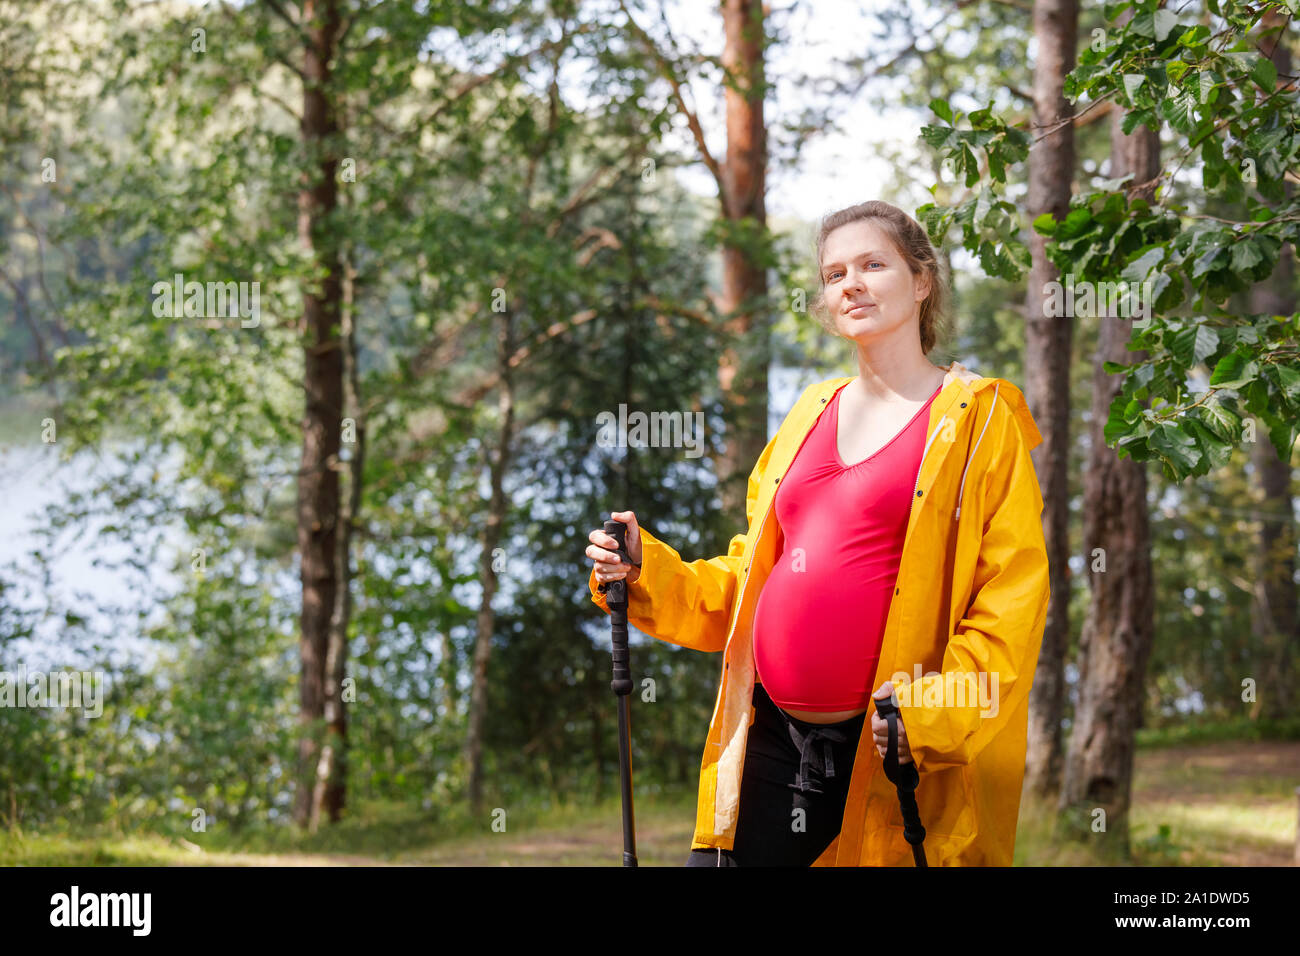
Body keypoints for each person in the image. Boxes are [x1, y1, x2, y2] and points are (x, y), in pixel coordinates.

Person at [585, 200, 1050, 866]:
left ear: (922, 280)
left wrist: (928, 717)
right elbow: (752, 578)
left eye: (872, 264)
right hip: (772, 737)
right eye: (834, 274)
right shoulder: (810, 410)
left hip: (890, 750)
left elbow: (1011, 606)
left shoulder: (977, 420)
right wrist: (645, 570)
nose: (850, 284)